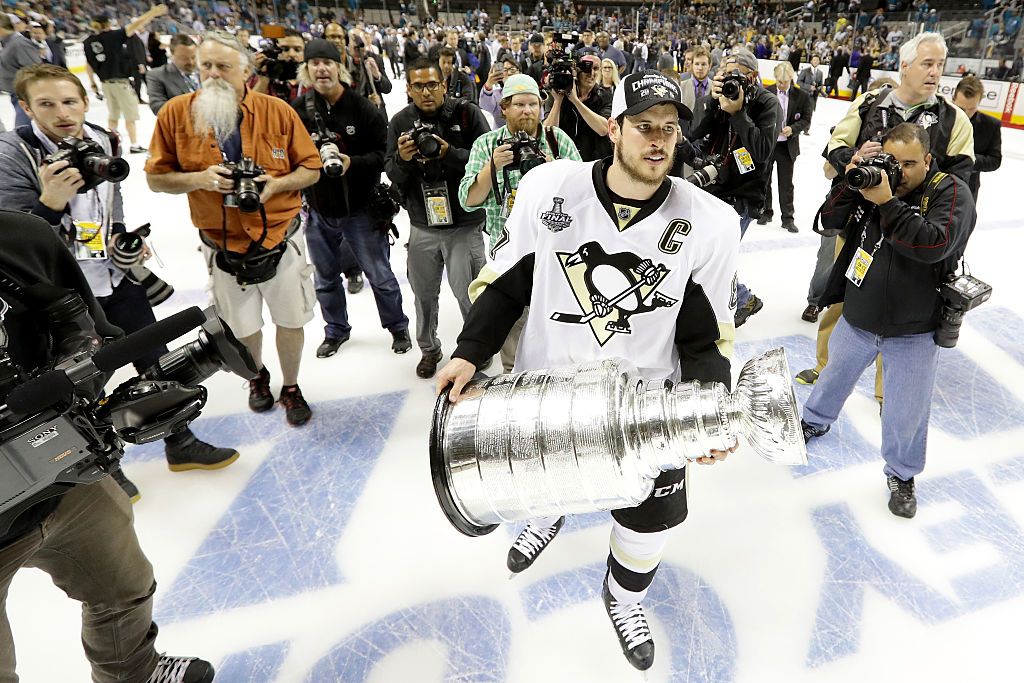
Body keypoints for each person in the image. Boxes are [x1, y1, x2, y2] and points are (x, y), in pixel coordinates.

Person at [437, 70, 737, 672]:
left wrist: (708, 409)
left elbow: (705, 336)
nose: (658, 141)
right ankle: (547, 514)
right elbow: (509, 282)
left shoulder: (710, 220)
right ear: (613, 127)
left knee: (648, 524)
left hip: (646, 407)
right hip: (546, 393)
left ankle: (623, 596)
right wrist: (470, 348)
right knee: (541, 472)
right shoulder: (551, 188)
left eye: (670, 130)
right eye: (644, 126)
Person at [0, 61, 239, 497]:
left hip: (113, 275)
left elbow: (113, 198)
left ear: (85, 101)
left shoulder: (102, 139)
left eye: (70, 101)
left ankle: (180, 442)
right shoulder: (13, 153)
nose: (62, 113)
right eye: (46, 104)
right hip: (59, 296)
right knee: (81, 380)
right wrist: (50, 204)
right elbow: (12, 242)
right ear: (25, 108)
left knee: (156, 358)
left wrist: (121, 236)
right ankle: (103, 468)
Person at [0, 210, 216, 683]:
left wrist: (74, 367)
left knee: (125, 588)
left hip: (65, 481)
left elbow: (94, 336)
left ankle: (135, 673)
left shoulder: (21, 239)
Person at [145, 31, 322, 426]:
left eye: (222, 66)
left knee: (291, 320)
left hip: (281, 236)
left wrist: (276, 184)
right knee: (242, 327)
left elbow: (310, 168)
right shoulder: (176, 113)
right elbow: (156, 179)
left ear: (247, 72)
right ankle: (257, 377)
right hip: (220, 244)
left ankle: (291, 386)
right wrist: (199, 179)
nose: (212, 74)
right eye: (205, 65)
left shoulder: (278, 111)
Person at [802, 122, 976, 518]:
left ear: (928, 160)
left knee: (905, 411)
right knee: (832, 377)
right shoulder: (876, 183)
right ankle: (814, 420)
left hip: (914, 329)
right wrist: (852, 181)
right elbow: (830, 221)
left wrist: (886, 203)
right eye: (892, 162)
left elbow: (932, 244)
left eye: (910, 164)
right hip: (858, 316)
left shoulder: (950, 191)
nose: (899, 172)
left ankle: (902, 473)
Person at [797, 31, 975, 386]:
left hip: (911, 231)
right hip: (858, 222)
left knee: (901, 313)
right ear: (905, 66)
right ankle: (825, 366)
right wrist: (856, 159)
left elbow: (960, 182)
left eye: (940, 65)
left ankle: (886, 390)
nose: (935, 72)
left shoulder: (954, 120)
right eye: (928, 63)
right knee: (841, 295)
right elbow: (836, 147)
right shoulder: (870, 102)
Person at [293, 39, 410, 359]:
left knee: (381, 275)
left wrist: (351, 163)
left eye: (327, 62)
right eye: (313, 63)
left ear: (339, 68)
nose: (321, 68)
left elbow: (384, 155)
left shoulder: (362, 107)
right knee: (324, 278)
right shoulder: (299, 110)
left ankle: (398, 326)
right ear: (306, 70)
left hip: (361, 208)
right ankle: (335, 331)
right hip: (318, 209)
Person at [459, 74, 581, 373]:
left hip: (555, 248)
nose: (527, 110)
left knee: (557, 317)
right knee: (509, 317)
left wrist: (552, 170)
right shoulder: (487, 144)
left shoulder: (556, 139)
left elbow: (583, 192)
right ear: (504, 108)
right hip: (508, 252)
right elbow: (468, 199)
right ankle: (514, 376)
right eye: (519, 104)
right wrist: (492, 167)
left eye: (533, 104)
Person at [385, 57, 489, 377]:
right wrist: (402, 160)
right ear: (409, 89)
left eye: (432, 84)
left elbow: (486, 162)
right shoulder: (401, 121)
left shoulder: (467, 113)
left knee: (471, 292)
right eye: (419, 86)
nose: (427, 92)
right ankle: (429, 350)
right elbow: (391, 172)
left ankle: (477, 347)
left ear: (443, 85)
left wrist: (450, 153)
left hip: (464, 221)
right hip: (422, 223)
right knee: (424, 295)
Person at [686, 48, 780, 327]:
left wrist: (739, 113)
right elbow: (693, 133)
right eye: (725, 75)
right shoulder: (718, 100)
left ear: (753, 76)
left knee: (717, 257)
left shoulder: (767, 103)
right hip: (715, 189)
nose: (730, 81)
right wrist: (715, 104)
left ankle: (741, 299)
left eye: (736, 75)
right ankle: (740, 298)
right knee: (710, 255)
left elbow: (762, 151)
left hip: (745, 195)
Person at [83, 5, 168, 153]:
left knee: (113, 114)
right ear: (108, 24)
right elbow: (135, 25)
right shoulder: (113, 37)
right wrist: (153, 13)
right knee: (130, 114)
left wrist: (92, 83)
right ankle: (134, 144)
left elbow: (88, 65)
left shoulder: (88, 42)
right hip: (120, 82)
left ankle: (110, 142)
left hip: (106, 84)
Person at [760, 62, 812, 233]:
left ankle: (787, 218)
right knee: (765, 180)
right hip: (769, 144)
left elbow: (806, 119)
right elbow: (758, 116)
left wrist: (793, 129)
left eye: (785, 82)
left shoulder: (802, 96)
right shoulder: (766, 92)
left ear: (791, 79)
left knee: (786, 184)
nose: (781, 85)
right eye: (779, 81)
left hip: (787, 147)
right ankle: (766, 211)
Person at [543, 53, 612, 162]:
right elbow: (547, 133)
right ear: (576, 71)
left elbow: (604, 130)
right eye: (587, 68)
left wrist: (575, 101)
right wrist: (558, 101)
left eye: (596, 68)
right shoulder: (557, 94)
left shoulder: (604, 96)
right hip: (564, 162)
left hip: (594, 164)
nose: (591, 73)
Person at [952, 75, 1002, 200]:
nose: (966, 114)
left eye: (972, 109)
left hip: (967, 189)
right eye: (961, 108)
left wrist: (967, 158)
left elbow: (995, 160)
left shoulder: (991, 126)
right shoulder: (938, 117)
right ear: (953, 98)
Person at [0, 13, 42, 127]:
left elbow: (35, 70)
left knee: (24, 131)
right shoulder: (7, 44)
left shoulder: (19, 43)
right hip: (17, 95)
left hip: (27, 95)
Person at [146, 33, 198, 115]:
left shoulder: (207, 70)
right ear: (172, 54)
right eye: (184, 58)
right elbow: (158, 107)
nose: (191, 62)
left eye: (193, 57)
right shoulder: (157, 75)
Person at [252, 27, 305, 102]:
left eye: (297, 50)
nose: (291, 54)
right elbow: (249, 106)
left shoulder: (313, 80)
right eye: (284, 49)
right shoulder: (259, 77)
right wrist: (265, 79)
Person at [478, 55, 520, 129]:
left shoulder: (529, 92)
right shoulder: (497, 95)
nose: (509, 73)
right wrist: (489, 83)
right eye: (505, 70)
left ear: (520, 72)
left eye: (512, 69)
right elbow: (484, 105)